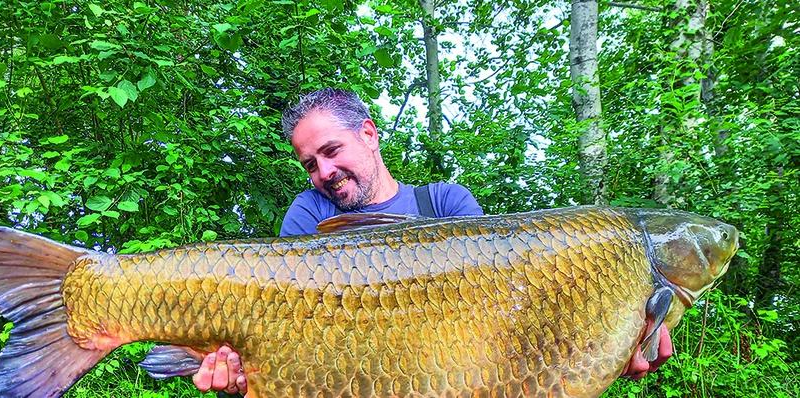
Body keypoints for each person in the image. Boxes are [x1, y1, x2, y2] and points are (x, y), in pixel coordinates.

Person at [192, 88, 672, 395]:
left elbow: (506, 307)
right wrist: (241, 371)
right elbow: (282, 328)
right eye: (310, 163)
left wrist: (611, 340)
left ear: (369, 134)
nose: (325, 173)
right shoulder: (308, 214)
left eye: (331, 151)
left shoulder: (445, 204)